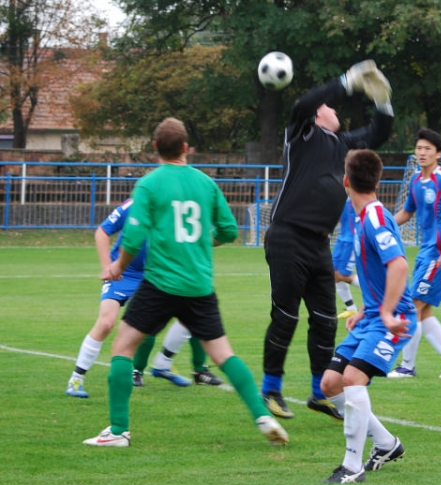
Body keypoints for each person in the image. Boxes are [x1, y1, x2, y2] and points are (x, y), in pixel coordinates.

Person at [84, 117, 288, 447]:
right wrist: (203, 243)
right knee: (224, 355)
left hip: (160, 284)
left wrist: (116, 266)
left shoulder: (149, 184)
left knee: (123, 347)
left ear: (155, 148)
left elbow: (133, 238)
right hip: (199, 286)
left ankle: (119, 431)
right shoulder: (205, 184)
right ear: (185, 148)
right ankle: (261, 415)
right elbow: (229, 232)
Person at [261, 61, 394, 420]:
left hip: (319, 243)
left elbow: (380, 133)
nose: (332, 108)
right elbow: (303, 105)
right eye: (328, 106)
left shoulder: (344, 144)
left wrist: (383, 101)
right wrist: (346, 82)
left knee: (325, 319)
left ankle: (320, 392)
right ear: (319, 116)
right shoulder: (302, 134)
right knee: (286, 315)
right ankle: (270, 388)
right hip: (287, 235)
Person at [320, 149, 416, 483]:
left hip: (394, 318)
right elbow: (377, 273)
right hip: (374, 317)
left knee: (352, 380)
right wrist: (365, 310)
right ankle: (387, 443)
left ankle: (351, 466)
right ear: (377, 180)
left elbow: (399, 265)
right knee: (331, 384)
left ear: (346, 181)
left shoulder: (374, 217)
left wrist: (387, 312)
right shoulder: (362, 216)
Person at [65, 200, 222, 398]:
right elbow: (102, 231)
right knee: (106, 323)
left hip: (155, 274)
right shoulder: (135, 203)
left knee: (186, 316)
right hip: (122, 272)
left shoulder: (177, 206)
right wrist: (107, 266)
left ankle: (163, 364)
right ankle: (76, 380)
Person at [387, 128, 441, 380]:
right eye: (419, 148)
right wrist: (380, 222)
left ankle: (407, 366)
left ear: (438, 154)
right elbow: (406, 213)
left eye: (427, 149)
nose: (421, 153)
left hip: (439, 254)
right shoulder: (415, 181)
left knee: (411, 308)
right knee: (424, 311)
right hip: (425, 254)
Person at [333, 198, 360, 320]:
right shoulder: (343, 197)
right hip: (341, 239)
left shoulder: (359, 197)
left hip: (352, 240)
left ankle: (381, 294)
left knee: (343, 275)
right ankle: (351, 309)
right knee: (334, 274)